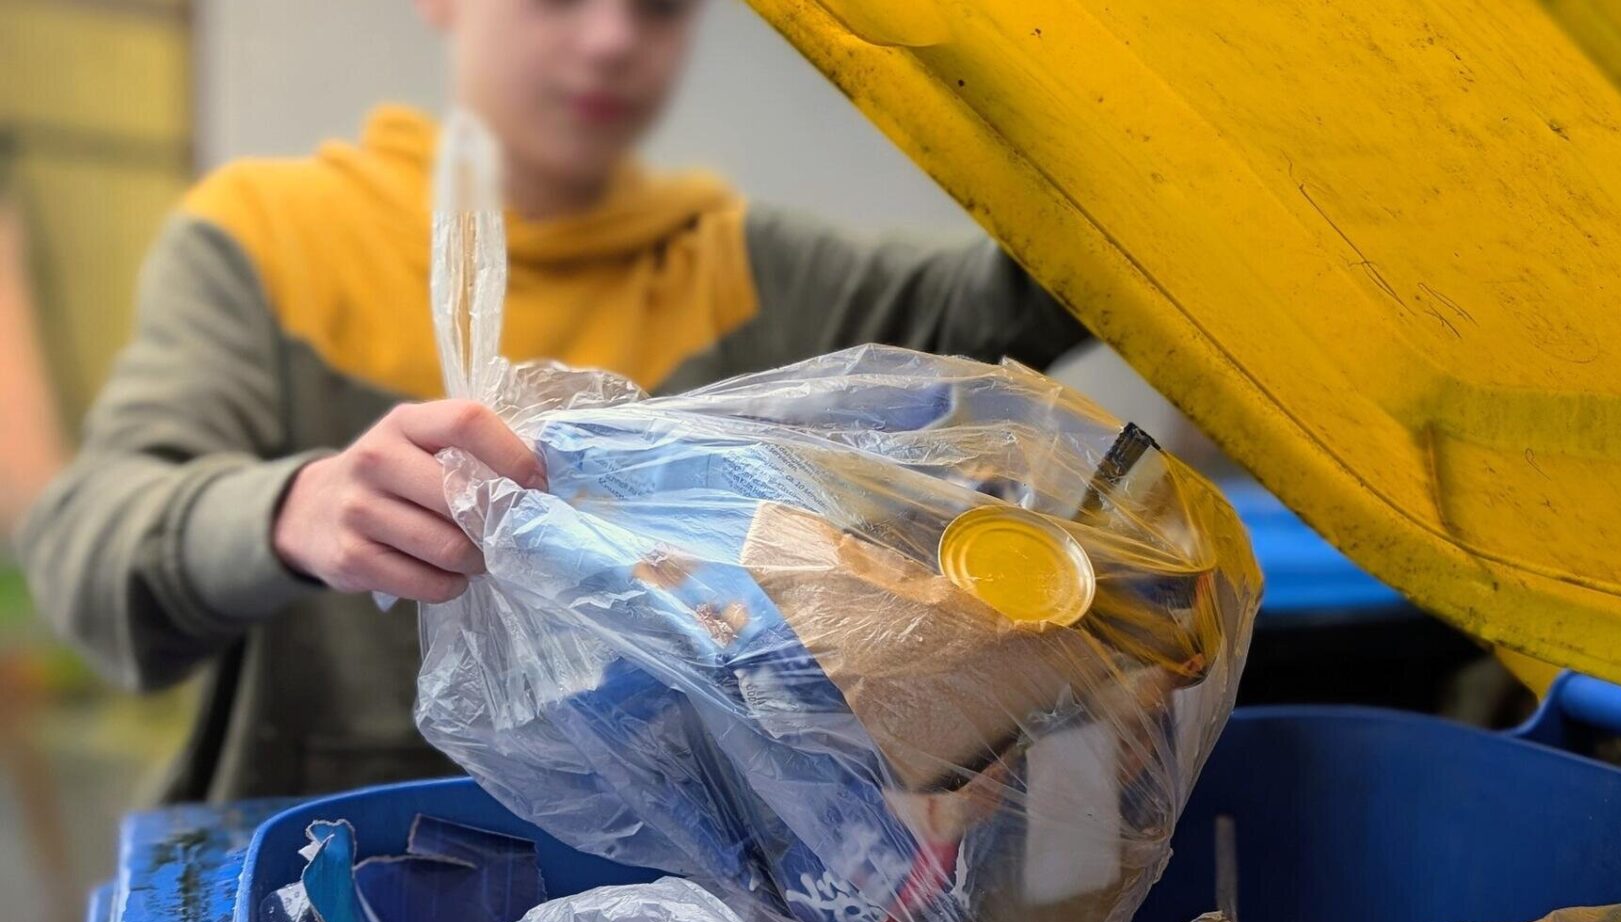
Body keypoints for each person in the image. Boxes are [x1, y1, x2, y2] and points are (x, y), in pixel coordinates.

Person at [16, 0, 1087, 801]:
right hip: (334, 853)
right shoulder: (273, 242)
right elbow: (85, 549)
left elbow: (1042, 286)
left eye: (659, 6)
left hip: (682, 889)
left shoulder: (742, 271)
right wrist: (291, 510)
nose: (616, 38)